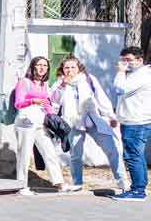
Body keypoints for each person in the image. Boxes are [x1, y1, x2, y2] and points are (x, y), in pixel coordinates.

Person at [50, 56, 125, 193]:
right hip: (73, 123)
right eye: (67, 67)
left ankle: (121, 180)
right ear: (62, 69)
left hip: (93, 120)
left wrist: (110, 116)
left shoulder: (89, 79)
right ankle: (77, 183)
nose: (70, 70)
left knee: (111, 148)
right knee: (76, 155)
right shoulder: (59, 83)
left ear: (79, 68)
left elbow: (101, 97)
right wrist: (62, 86)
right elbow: (54, 102)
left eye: (73, 67)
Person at [14, 55, 68, 195]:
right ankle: (21, 186)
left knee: (49, 151)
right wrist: (33, 101)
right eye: (39, 65)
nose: (42, 68)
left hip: (40, 120)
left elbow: (47, 104)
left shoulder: (44, 85)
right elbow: (18, 103)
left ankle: (59, 183)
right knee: (24, 154)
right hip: (25, 120)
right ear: (33, 66)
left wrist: (54, 119)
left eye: (45, 66)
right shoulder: (24, 82)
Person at [112, 46, 151, 201]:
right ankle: (140, 188)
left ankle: (138, 191)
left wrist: (120, 71)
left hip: (136, 122)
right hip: (132, 120)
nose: (125, 63)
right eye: (123, 60)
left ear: (140, 60)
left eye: (128, 60)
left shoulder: (142, 75)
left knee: (133, 155)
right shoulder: (136, 74)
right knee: (136, 155)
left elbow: (120, 89)